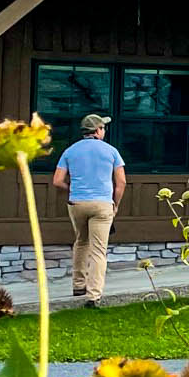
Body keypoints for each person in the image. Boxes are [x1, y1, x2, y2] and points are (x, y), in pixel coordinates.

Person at [52, 112, 125, 307]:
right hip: (102, 204)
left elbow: (57, 181)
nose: (104, 131)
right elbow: (121, 182)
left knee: (81, 242)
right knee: (99, 250)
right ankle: (93, 296)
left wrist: (71, 189)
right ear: (98, 130)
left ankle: (78, 286)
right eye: (103, 128)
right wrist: (115, 204)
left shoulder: (70, 151)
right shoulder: (111, 151)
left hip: (77, 203)